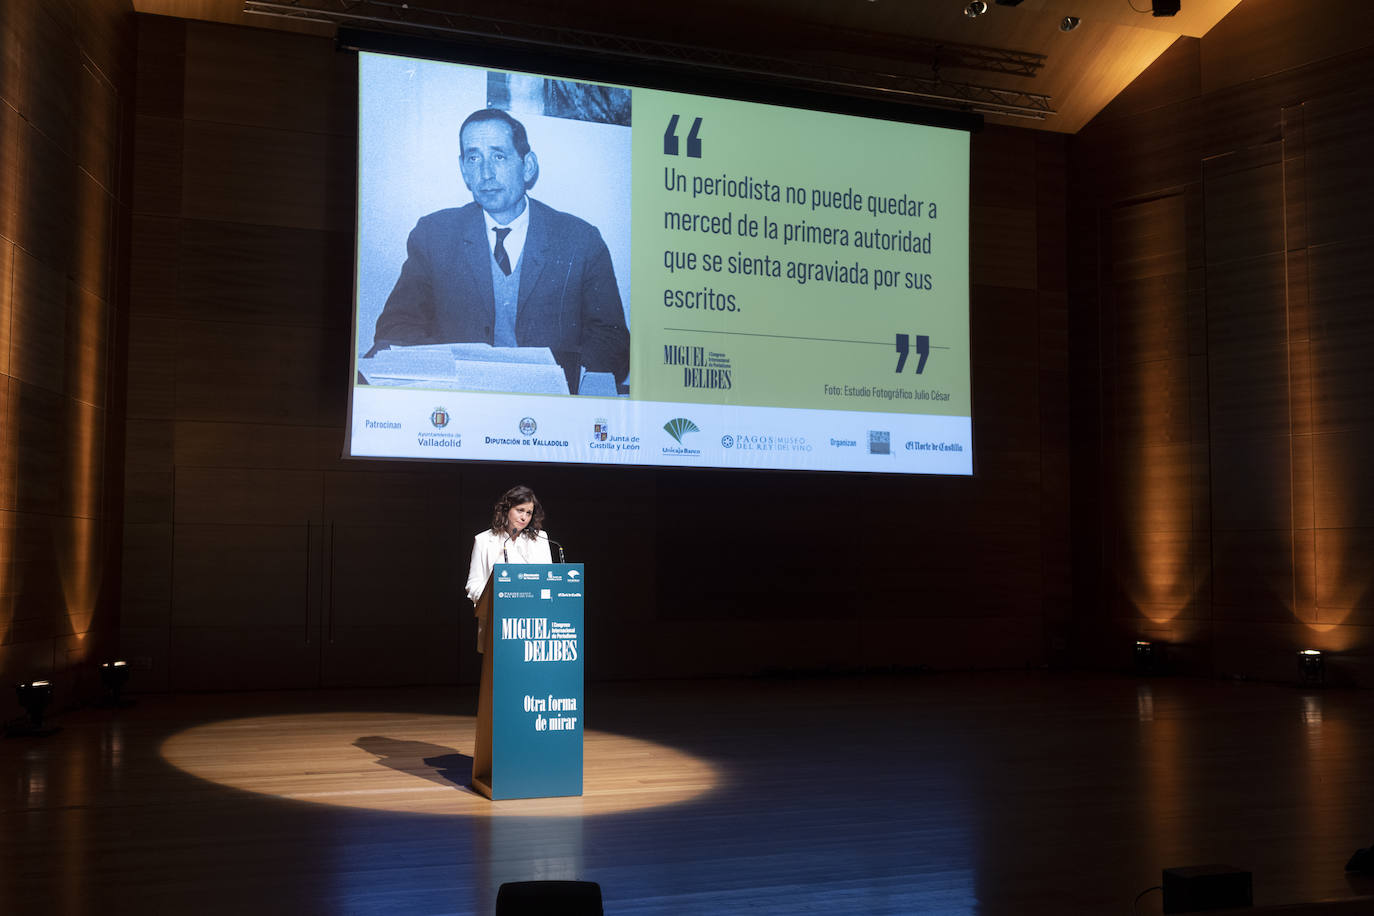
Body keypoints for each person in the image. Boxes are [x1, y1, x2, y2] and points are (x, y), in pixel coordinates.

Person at [372, 108, 629, 394]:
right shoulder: (434, 235)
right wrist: (451, 372)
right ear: (463, 170)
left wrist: (560, 378)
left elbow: (613, 340)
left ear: (527, 165)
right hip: (462, 408)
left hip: (551, 408)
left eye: (498, 156)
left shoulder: (580, 240)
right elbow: (395, 328)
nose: (485, 173)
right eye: (473, 158)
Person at [466, 485, 553, 652]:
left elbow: (548, 579)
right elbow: (473, 585)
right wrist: (496, 598)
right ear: (506, 509)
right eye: (520, 510)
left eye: (529, 513)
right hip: (497, 624)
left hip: (535, 626)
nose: (524, 517)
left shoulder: (541, 539)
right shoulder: (484, 540)